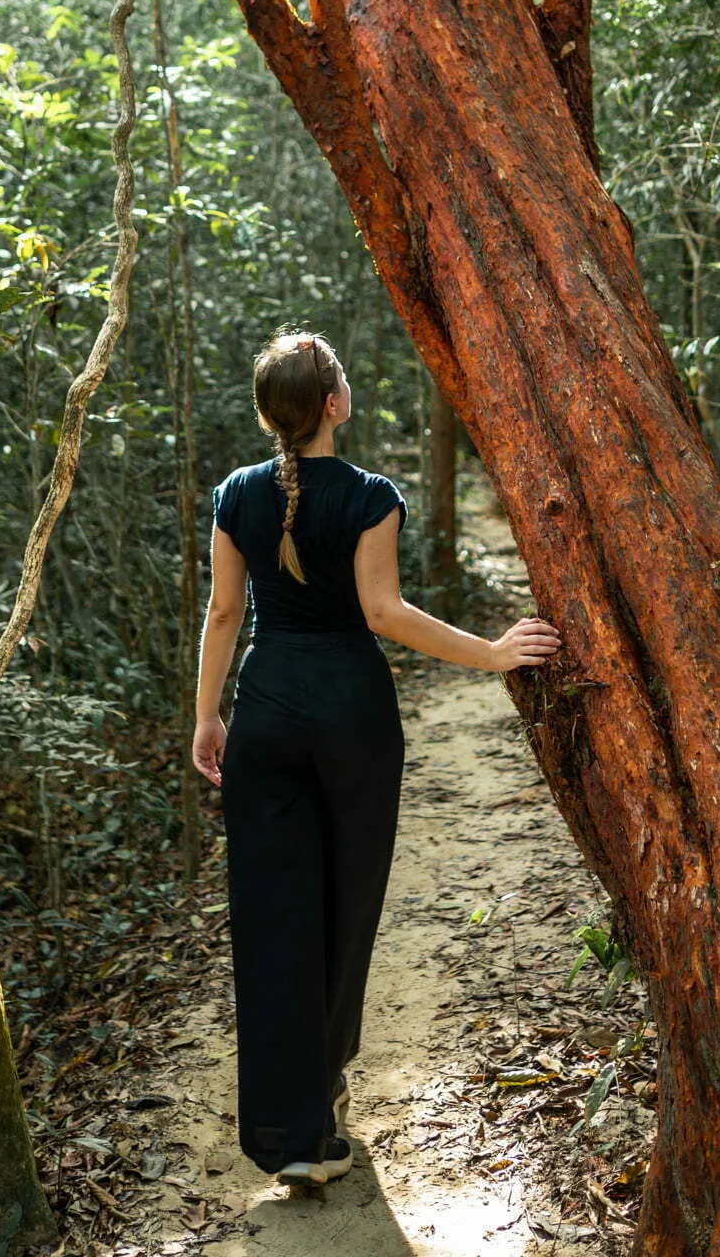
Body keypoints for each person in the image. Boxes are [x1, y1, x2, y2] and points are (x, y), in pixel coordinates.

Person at [191, 328, 561, 1191]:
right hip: (351, 716)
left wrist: (208, 716)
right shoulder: (368, 495)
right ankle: (320, 1095)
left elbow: (222, 613)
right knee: (344, 904)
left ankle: (293, 1134)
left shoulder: (233, 496)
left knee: (272, 917)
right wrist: (496, 653)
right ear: (332, 406)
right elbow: (384, 614)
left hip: (267, 712)